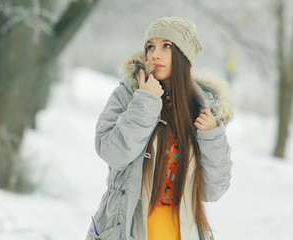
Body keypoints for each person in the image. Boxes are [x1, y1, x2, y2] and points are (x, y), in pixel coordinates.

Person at [85, 16, 233, 240]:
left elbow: (214, 190)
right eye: (150, 46)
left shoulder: (203, 107)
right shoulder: (128, 94)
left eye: (167, 46)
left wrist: (211, 136)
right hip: (128, 228)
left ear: (184, 55)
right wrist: (145, 102)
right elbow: (112, 153)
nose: (155, 54)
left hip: (183, 230)